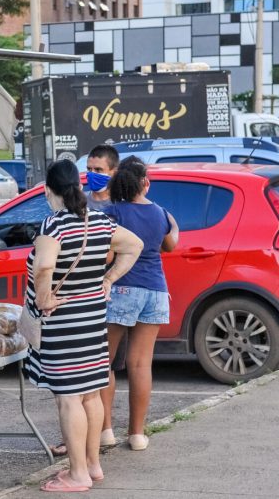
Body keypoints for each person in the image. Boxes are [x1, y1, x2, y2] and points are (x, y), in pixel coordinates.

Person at [23, 160, 142, 492]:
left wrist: (45, 298)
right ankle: (92, 465)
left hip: (63, 323)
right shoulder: (99, 221)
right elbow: (135, 246)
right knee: (90, 395)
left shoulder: (54, 226)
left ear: (50, 190)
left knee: (69, 398)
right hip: (92, 318)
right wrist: (108, 279)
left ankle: (77, 474)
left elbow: (44, 266)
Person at [100, 157, 179, 452]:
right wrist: (174, 226)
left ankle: (106, 430)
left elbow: (108, 256)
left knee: (103, 363)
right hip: (156, 291)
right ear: (145, 182)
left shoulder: (113, 212)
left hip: (122, 289)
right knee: (140, 364)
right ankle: (137, 435)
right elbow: (170, 245)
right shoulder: (161, 213)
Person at [85, 144, 119, 212]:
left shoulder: (122, 204)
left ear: (114, 172)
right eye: (89, 169)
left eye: (98, 170)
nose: (92, 174)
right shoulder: (79, 203)